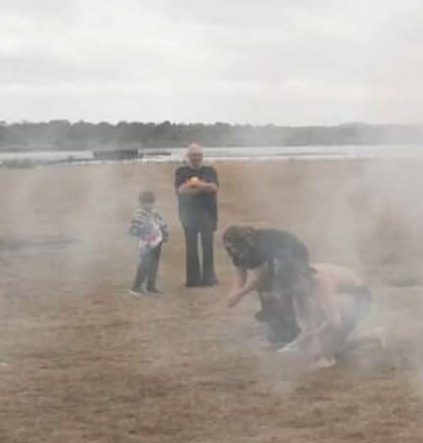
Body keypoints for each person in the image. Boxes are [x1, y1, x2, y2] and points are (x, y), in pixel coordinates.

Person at [276, 261, 379, 368]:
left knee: (325, 349)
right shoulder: (300, 284)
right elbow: (308, 323)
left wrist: (313, 335)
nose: (293, 292)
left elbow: (335, 322)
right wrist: (302, 338)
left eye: (292, 288)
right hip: (339, 302)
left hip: (360, 299)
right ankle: (372, 336)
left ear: (300, 277)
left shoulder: (321, 281)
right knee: (321, 347)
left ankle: (369, 336)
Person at [222, 225, 311, 346]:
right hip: (277, 258)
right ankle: (277, 330)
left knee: (279, 288)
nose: (230, 250)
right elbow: (240, 273)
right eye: (228, 247)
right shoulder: (237, 251)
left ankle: (292, 332)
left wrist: (240, 294)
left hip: (294, 252)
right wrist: (234, 294)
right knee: (267, 289)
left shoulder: (256, 248)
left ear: (240, 243)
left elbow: (260, 278)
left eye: (232, 247)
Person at [175, 143, 219, 288]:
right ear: (188, 156)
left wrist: (194, 185)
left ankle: (208, 279)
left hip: (208, 214)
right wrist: (203, 186)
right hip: (188, 216)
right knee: (191, 248)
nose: (197, 158)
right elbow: (181, 191)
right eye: (193, 155)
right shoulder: (181, 171)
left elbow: (214, 188)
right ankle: (193, 280)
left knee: (208, 248)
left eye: (199, 155)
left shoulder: (210, 170)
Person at [128, 190, 169, 295]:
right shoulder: (139, 215)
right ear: (140, 203)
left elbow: (163, 224)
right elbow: (132, 230)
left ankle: (151, 286)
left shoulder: (155, 213)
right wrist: (140, 231)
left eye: (150, 202)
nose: (148, 205)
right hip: (146, 244)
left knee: (154, 265)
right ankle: (135, 288)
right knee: (144, 265)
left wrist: (165, 235)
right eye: (145, 202)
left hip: (157, 242)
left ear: (153, 202)